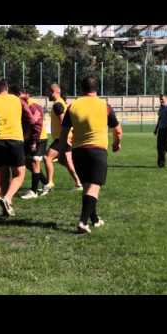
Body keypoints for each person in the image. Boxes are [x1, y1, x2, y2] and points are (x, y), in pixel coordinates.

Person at [57, 77, 123, 234]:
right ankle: (82, 222)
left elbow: (64, 133)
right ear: (96, 89)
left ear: (81, 89)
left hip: (78, 152)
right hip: (97, 150)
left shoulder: (72, 106)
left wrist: (61, 152)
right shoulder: (104, 105)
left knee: (87, 187)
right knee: (94, 188)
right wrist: (116, 143)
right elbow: (118, 129)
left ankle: (94, 219)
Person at [0, 79, 36, 217]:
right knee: (19, 173)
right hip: (15, 139)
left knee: (4, 173)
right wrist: (27, 133)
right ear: (7, 88)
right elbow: (32, 119)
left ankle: (6, 208)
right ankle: (8, 198)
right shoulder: (17, 100)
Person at [42, 84, 82, 196]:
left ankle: (49, 183)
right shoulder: (61, 103)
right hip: (66, 137)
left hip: (62, 137)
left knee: (47, 157)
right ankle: (79, 183)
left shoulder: (58, 104)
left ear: (54, 91)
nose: (47, 95)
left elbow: (63, 121)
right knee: (64, 161)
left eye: (48, 92)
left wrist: (66, 138)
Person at [10, 87, 47, 200]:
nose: (17, 97)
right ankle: (46, 183)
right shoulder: (22, 105)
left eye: (19, 94)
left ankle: (34, 191)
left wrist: (34, 141)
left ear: (26, 94)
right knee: (27, 162)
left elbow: (37, 125)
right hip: (28, 139)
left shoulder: (33, 106)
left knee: (35, 162)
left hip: (38, 139)